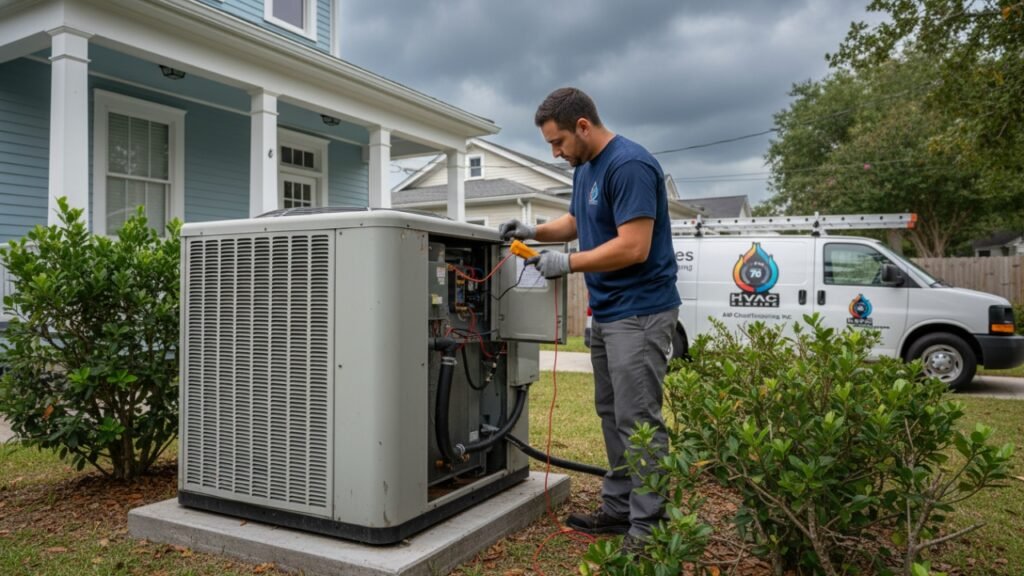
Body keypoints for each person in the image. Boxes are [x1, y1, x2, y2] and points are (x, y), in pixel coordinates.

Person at [498, 87, 680, 549]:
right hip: (608, 313)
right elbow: (577, 221)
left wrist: (569, 263)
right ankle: (620, 511)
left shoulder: (630, 165)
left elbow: (633, 246)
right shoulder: (586, 169)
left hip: (641, 312)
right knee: (611, 413)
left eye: (558, 142)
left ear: (583, 125)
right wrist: (535, 231)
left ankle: (650, 527)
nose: (556, 153)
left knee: (638, 419)